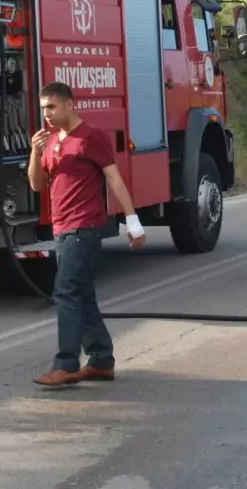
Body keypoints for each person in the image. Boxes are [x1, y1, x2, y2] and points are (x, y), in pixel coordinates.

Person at [29, 81, 146, 388]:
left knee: (65, 292)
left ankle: (66, 363)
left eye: (52, 107)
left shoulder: (92, 137)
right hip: (62, 227)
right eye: (44, 109)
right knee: (82, 295)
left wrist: (133, 221)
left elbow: (114, 178)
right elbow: (37, 184)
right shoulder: (52, 141)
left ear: (70, 104)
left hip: (84, 227)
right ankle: (101, 360)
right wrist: (34, 152)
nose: (48, 115)